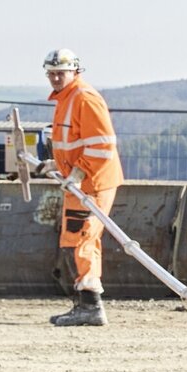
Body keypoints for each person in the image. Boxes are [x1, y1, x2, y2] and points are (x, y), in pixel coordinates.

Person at [40, 47, 123, 327]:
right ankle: (83, 304)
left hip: (93, 184)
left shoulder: (85, 98)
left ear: (74, 71)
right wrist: (57, 165)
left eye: (60, 73)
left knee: (84, 241)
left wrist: (78, 173)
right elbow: (74, 143)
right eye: (51, 73)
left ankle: (91, 307)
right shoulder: (65, 99)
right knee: (72, 242)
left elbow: (102, 146)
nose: (55, 78)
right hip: (78, 184)